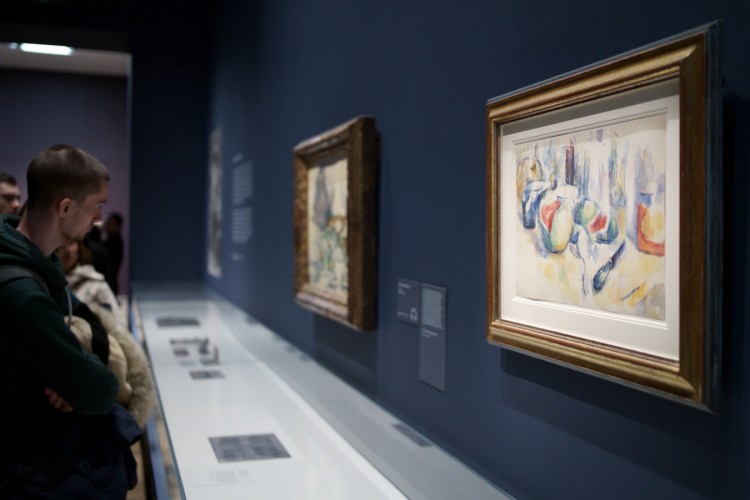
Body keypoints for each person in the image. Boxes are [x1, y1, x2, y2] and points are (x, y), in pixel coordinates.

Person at [0, 145, 141, 498]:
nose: (99, 218)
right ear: (65, 207)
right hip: (27, 457)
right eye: (97, 206)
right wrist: (79, 375)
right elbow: (100, 391)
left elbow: (81, 334)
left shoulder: (36, 262)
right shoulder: (24, 293)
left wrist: (70, 373)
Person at [57, 238, 125, 325]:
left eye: (71, 243)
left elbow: (118, 322)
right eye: (61, 246)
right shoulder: (49, 284)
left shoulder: (96, 284)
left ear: (79, 249)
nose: (66, 250)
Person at [103, 211, 124, 295]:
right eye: (107, 223)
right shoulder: (113, 242)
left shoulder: (114, 244)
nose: (106, 226)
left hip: (109, 285)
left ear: (118, 226)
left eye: (110, 224)